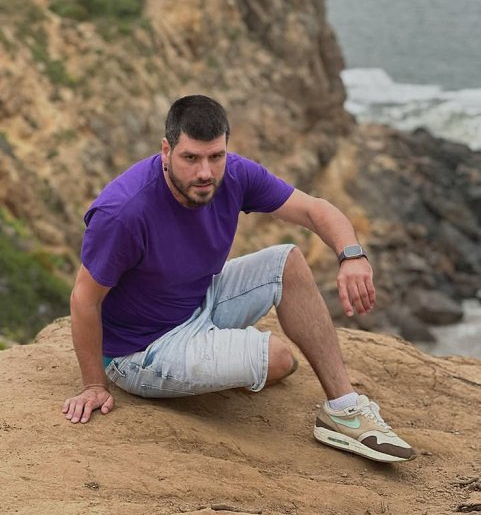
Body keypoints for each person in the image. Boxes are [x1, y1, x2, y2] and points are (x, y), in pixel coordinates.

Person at [63, 95, 416, 463]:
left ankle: (344, 410)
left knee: (289, 260)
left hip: (197, 300)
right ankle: (226, 359)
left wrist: (352, 255)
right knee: (279, 359)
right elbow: (83, 299)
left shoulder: (233, 175)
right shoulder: (123, 212)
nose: (205, 172)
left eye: (215, 156)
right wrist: (93, 385)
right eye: (191, 158)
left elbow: (313, 210)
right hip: (142, 349)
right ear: (166, 151)